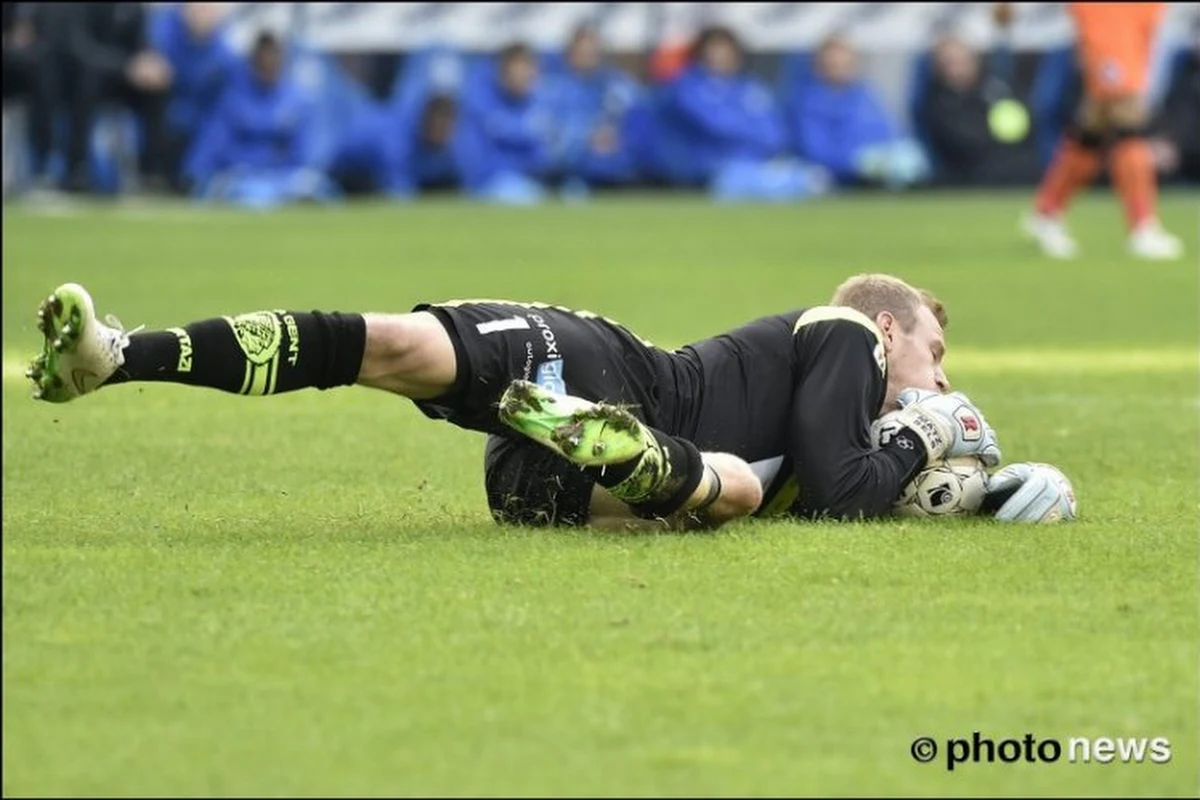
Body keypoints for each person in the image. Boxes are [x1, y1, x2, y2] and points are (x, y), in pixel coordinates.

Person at [26, 276, 1073, 529]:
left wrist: (990, 490)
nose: (940, 378)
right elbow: (845, 489)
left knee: (742, 491)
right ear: (892, 328)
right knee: (393, 344)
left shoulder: (846, 409)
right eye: (936, 354)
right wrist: (919, 429)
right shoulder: (844, 330)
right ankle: (119, 355)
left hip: (543, 472)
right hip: (608, 367)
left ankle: (610, 453)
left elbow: (845, 481)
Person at [1018, 2, 1183, 260]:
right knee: (1125, 106)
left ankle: (1047, 212)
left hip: (1140, 12)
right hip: (1109, 10)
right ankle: (1142, 226)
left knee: (1099, 116)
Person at [182, 31, 336, 208]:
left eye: (274, 55)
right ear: (253, 61)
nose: (268, 62)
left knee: (314, 187)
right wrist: (196, 174)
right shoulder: (232, 100)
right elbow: (211, 145)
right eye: (264, 56)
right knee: (232, 190)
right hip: (240, 179)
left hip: (286, 180)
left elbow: (307, 154)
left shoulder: (297, 101)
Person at [57, 2, 175, 194]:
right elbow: (80, 49)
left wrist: (150, 64)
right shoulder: (79, 7)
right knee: (88, 84)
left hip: (120, 79)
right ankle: (76, 168)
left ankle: (153, 172)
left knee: (156, 87)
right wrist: (125, 66)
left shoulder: (133, 8)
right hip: (79, 78)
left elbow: (141, 44)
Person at [787, 35, 931, 190]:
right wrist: (856, 162)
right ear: (818, 66)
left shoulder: (865, 94)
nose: (839, 69)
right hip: (834, 175)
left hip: (878, 169)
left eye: (844, 64)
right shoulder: (806, 101)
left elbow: (888, 131)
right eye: (832, 65)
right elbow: (815, 150)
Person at [918, 35, 1040, 186]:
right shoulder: (939, 102)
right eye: (950, 64)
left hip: (1023, 168)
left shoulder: (998, 86)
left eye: (962, 62)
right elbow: (967, 142)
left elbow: (1029, 120)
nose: (957, 70)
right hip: (974, 176)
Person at [148, 2, 237, 191]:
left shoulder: (224, 57)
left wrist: (195, 169)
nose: (202, 14)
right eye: (197, 7)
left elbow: (219, 118)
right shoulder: (161, 35)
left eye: (208, 8)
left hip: (195, 134)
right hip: (158, 124)